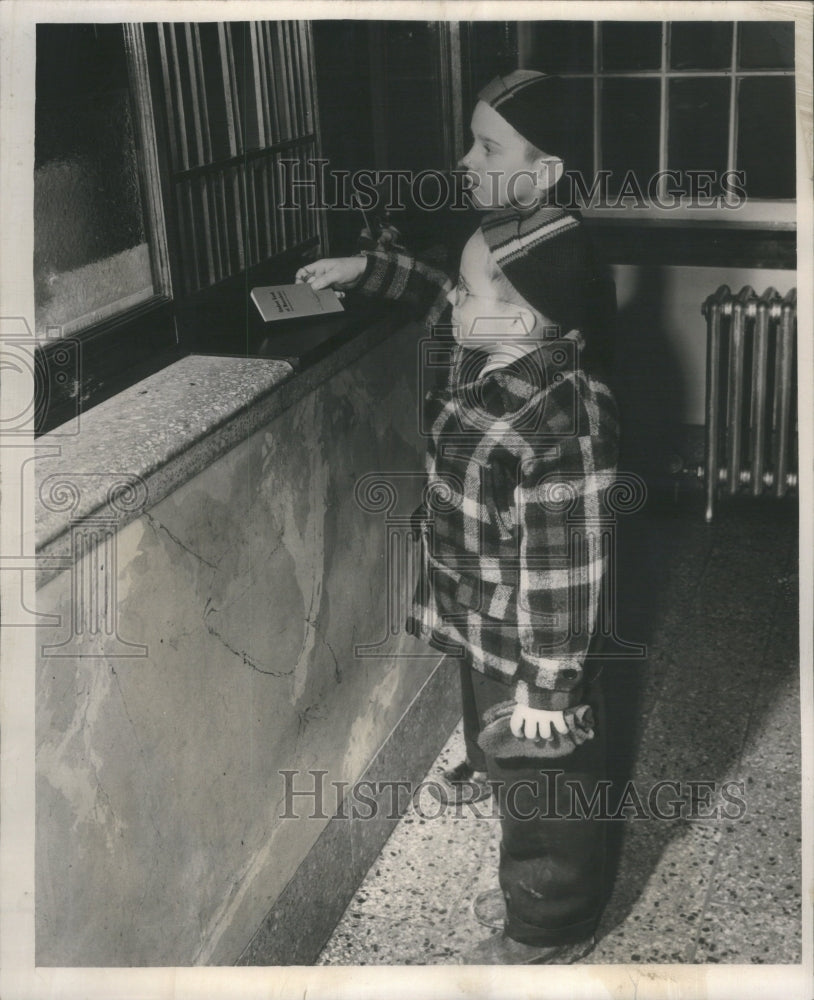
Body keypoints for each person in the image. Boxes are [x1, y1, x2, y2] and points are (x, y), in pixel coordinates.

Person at [296, 70, 619, 965]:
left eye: (487, 146)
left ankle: (550, 927)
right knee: (500, 731)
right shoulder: (508, 302)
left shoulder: (560, 421)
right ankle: (495, 757)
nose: (455, 310)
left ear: (527, 325)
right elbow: (454, 288)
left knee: (546, 772)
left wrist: (549, 688)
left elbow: (567, 570)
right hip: (487, 609)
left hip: (535, 633)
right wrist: (378, 270)